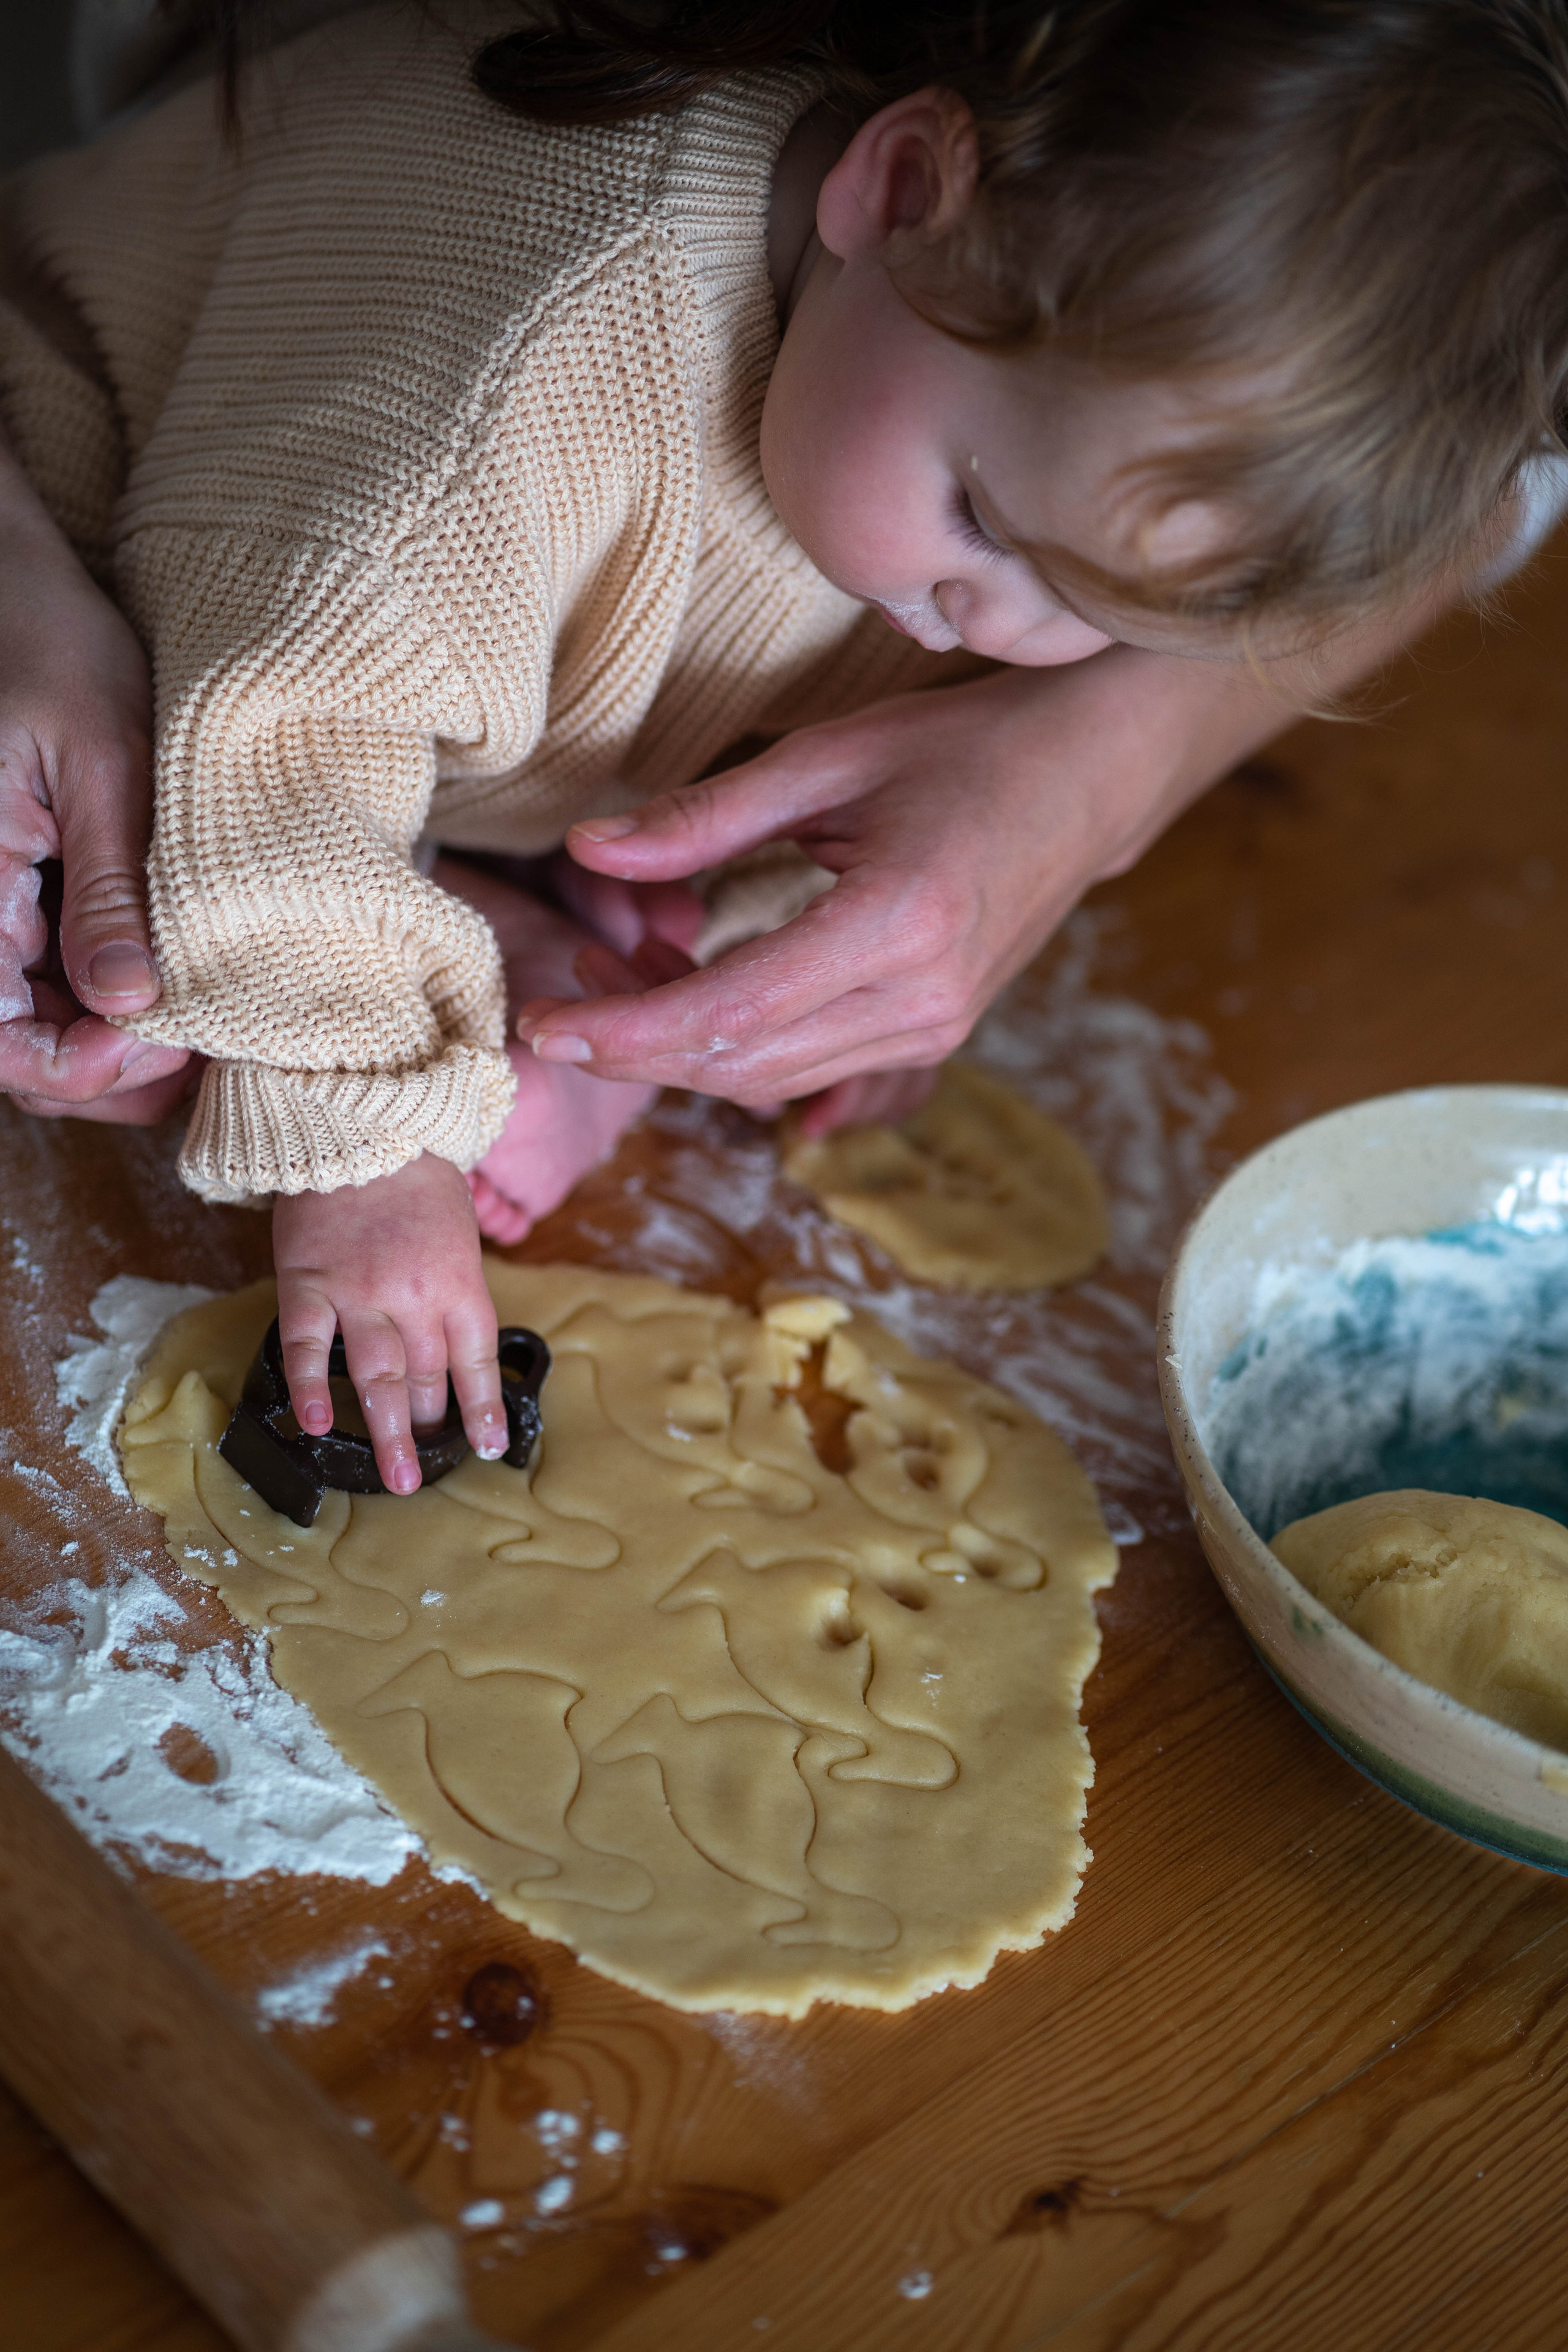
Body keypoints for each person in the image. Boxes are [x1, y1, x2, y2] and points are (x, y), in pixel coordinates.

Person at [2, 0, 1566, 1494]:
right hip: (115, 597)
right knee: (140, 959)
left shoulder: (950, 402)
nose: (992, 628)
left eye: (1100, 616)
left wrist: (823, 930)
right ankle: (421, 948)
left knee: (459, 976)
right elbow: (278, 730)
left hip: (427, 710)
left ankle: (483, 926)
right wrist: (364, 1169)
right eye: (985, 522)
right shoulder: (526, 366)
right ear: (897, 189)